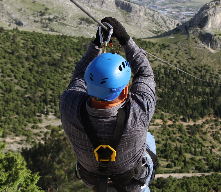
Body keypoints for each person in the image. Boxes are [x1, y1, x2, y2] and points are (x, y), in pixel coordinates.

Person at [60, 17, 158, 192]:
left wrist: (97, 45)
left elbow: (78, 76)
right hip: (131, 182)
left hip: (93, 181)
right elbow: (145, 73)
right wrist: (126, 40)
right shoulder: (138, 111)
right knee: (148, 138)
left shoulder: (69, 105)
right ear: (124, 91)